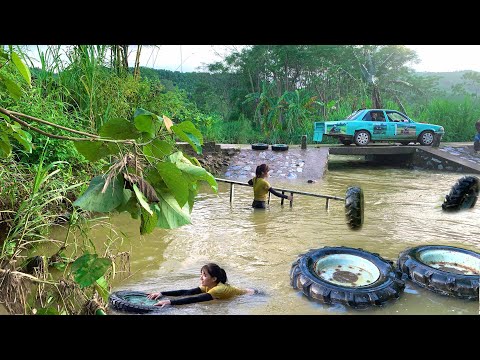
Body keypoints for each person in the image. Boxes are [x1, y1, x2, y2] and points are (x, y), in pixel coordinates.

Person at [146, 263, 258, 307]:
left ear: (214, 279)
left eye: (204, 275)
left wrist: (169, 302)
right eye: (201, 274)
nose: (200, 278)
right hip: (247, 292)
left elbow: (195, 299)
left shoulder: (218, 289)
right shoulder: (209, 285)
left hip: (254, 296)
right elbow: (187, 292)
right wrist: (161, 293)